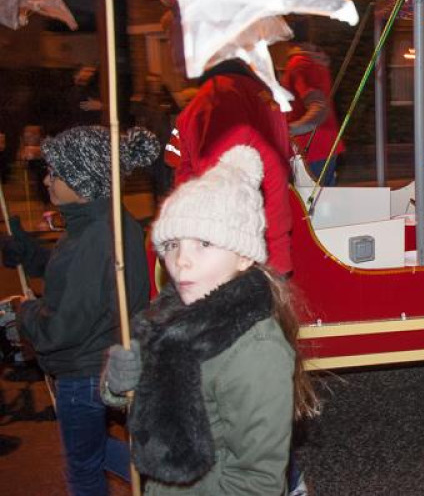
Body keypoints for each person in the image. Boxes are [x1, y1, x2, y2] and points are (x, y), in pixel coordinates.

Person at [102, 146, 320, 495]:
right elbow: (148, 402)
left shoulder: (253, 348)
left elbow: (257, 481)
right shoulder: (168, 317)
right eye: (172, 244)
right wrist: (117, 386)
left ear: (244, 257)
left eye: (204, 243)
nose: (181, 261)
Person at [11, 126, 158, 495]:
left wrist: (26, 312)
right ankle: (166, 478)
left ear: (85, 182)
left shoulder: (96, 237)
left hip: (85, 371)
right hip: (98, 363)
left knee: (82, 469)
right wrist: (28, 253)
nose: (47, 180)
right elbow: (73, 276)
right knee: (92, 453)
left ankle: (165, 478)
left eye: (56, 173)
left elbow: (62, 327)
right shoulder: (98, 223)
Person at [165, 57, 293, 276]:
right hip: (268, 243)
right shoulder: (264, 96)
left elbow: (216, 187)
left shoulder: (216, 98)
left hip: (239, 251)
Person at [281, 42, 344, 186]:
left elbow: (318, 108)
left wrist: (288, 129)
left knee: (310, 201)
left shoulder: (299, 65)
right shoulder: (316, 63)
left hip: (309, 147)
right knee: (324, 198)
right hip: (325, 144)